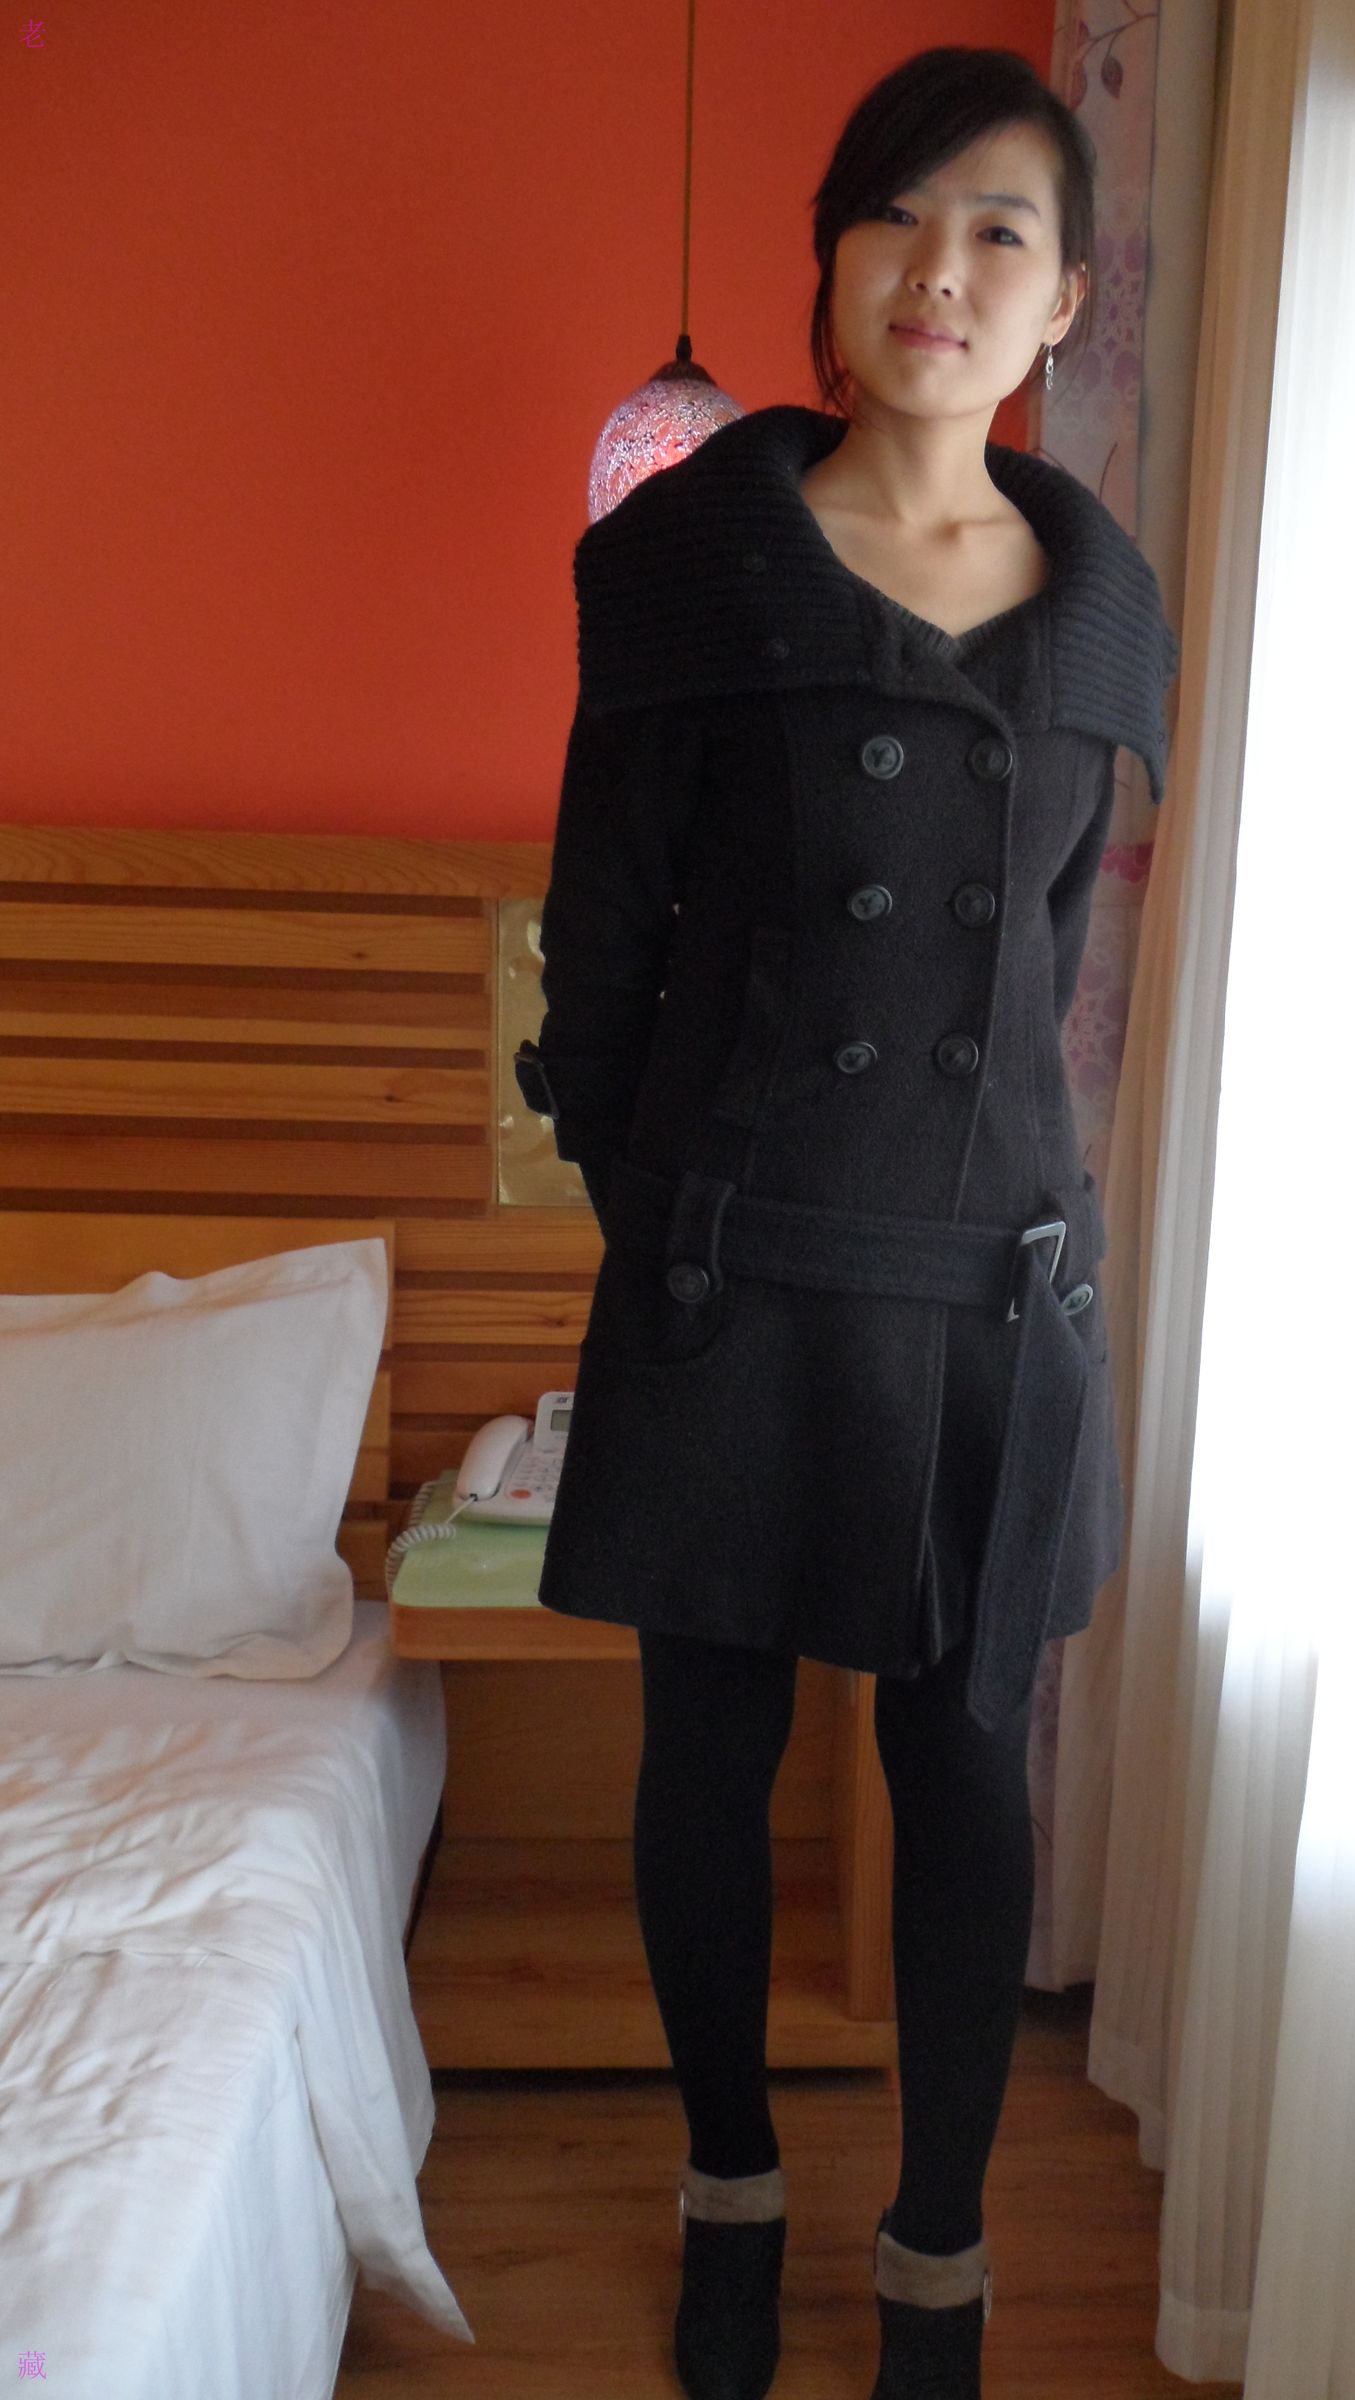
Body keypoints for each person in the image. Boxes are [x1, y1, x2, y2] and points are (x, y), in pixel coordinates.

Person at [518, 45, 1178, 2400]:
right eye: (898, 214)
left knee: (967, 1777)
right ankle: (730, 2186)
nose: (943, 266)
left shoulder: (1102, 622)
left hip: (991, 1300)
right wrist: (675, 1211)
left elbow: (1042, 987)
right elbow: (603, 961)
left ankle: (939, 2252)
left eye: (1002, 227)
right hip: (734, 1279)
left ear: (1065, 301)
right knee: (706, 1766)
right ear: (831, 265)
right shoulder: (687, 574)